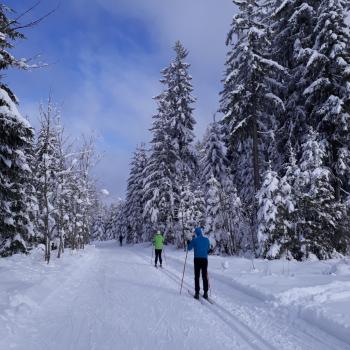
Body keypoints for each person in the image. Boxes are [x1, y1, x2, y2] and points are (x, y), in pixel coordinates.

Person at [187, 227, 210, 300]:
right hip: (204, 260)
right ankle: (205, 293)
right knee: (204, 276)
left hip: (197, 260)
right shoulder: (206, 240)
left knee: (197, 276)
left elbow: (189, 248)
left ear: (196, 233)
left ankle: (197, 293)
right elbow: (208, 250)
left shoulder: (195, 240)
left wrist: (188, 242)